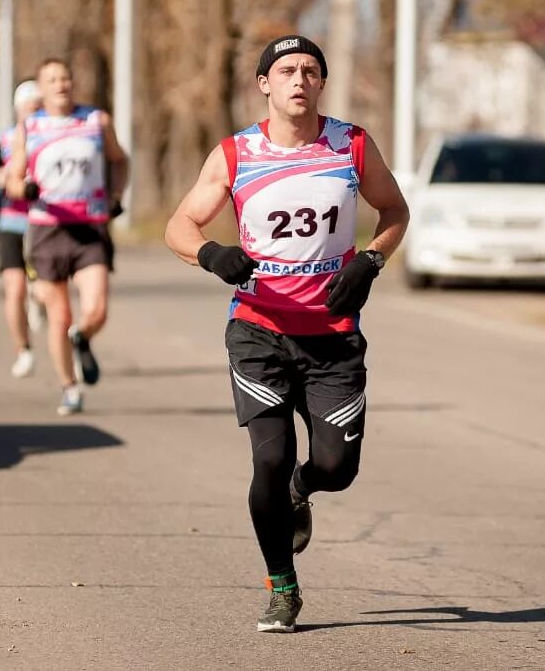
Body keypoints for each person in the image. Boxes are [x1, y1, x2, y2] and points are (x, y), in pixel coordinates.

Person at [164, 34, 409, 633]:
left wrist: (370, 261)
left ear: (321, 83)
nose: (299, 79)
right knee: (269, 460)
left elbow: (395, 212)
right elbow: (180, 223)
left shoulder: (350, 145)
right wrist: (212, 254)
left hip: (331, 337)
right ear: (265, 85)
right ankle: (281, 586)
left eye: (310, 70)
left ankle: (306, 486)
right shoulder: (236, 153)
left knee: (336, 468)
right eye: (286, 70)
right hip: (259, 333)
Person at [6, 58, 130, 415]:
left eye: (65, 78)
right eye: (52, 80)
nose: (61, 84)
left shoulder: (96, 120)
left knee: (97, 310)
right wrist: (24, 188)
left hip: (90, 226)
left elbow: (120, 160)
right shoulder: (30, 127)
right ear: (41, 89)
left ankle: (83, 336)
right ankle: (69, 387)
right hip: (46, 230)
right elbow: (13, 178)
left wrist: (116, 196)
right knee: (58, 315)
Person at [0, 80, 44, 378]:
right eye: (28, 108)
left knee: (43, 291)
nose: (32, 113)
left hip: (45, 226)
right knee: (14, 290)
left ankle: (39, 303)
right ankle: (23, 350)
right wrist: (1, 182)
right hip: (12, 224)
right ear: (17, 110)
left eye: (38, 108)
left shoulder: (52, 138)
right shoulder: (1, 141)